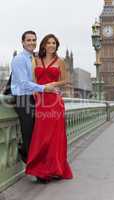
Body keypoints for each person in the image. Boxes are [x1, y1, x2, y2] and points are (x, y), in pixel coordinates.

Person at [25, 34, 73, 181]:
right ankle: (40, 170)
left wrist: (52, 85)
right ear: (44, 45)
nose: (51, 45)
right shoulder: (35, 60)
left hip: (54, 102)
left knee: (54, 137)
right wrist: (36, 90)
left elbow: (65, 80)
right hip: (40, 101)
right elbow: (31, 79)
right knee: (41, 136)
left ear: (56, 46)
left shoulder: (60, 61)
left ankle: (54, 169)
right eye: (49, 42)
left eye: (54, 43)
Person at [11, 31, 55, 163]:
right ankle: (33, 166)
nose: (32, 42)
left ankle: (26, 153)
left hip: (33, 98)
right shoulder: (19, 59)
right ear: (23, 42)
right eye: (28, 40)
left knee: (38, 133)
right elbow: (23, 83)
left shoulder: (34, 58)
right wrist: (44, 88)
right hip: (22, 99)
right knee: (29, 133)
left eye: (34, 40)